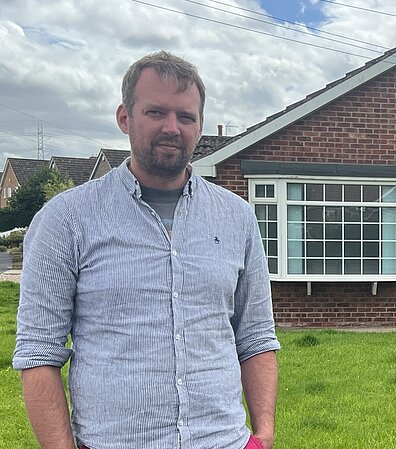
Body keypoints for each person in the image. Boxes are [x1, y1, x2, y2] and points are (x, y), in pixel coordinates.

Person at [13, 51, 280, 449]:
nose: (172, 127)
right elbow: (38, 353)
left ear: (200, 125)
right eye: (156, 112)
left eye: (186, 116)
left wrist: (263, 434)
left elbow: (255, 335)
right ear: (125, 117)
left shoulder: (237, 217)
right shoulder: (65, 220)